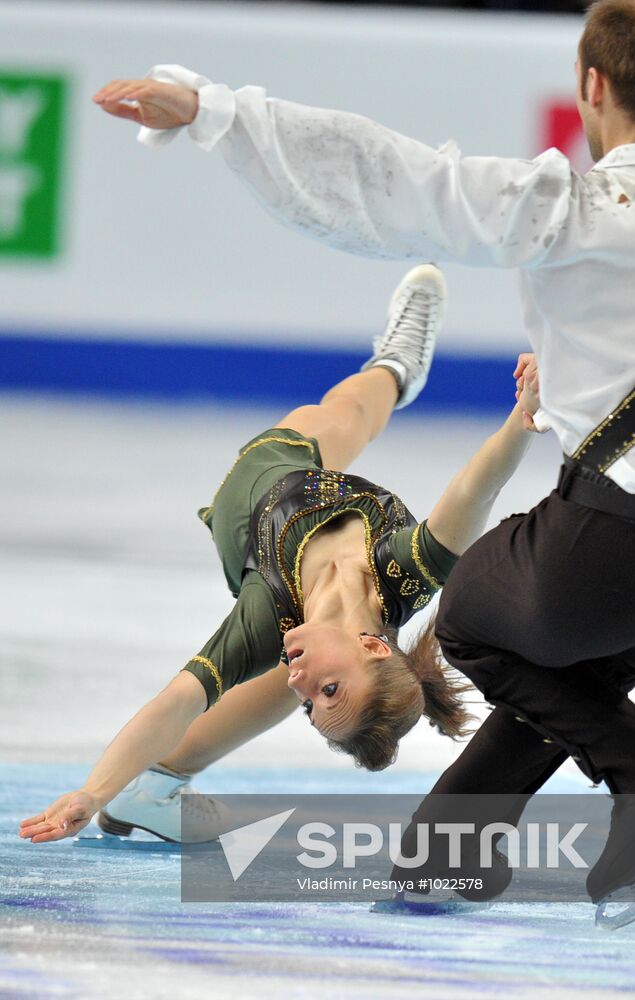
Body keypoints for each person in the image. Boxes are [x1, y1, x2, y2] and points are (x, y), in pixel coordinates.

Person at [78, 0, 635, 905]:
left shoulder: (565, 207)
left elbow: (388, 181)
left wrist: (219, 114)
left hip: (597, 566)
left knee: (464, 614)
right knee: (545, 695)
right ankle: (450, 855)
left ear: (592, 85)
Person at [19, 264, 546, 846]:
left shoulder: (267, 615)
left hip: (257, 497)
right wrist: (526, 411)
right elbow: (477, 488)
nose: (306, 687)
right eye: (328, 693)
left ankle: (147, 785)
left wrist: (91, 792)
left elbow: (175, 702)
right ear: (374, 645)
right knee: (353, 413)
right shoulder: (407, 570)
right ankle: (397, 365)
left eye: (313, 707)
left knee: (280, 662)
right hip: (318, 487)